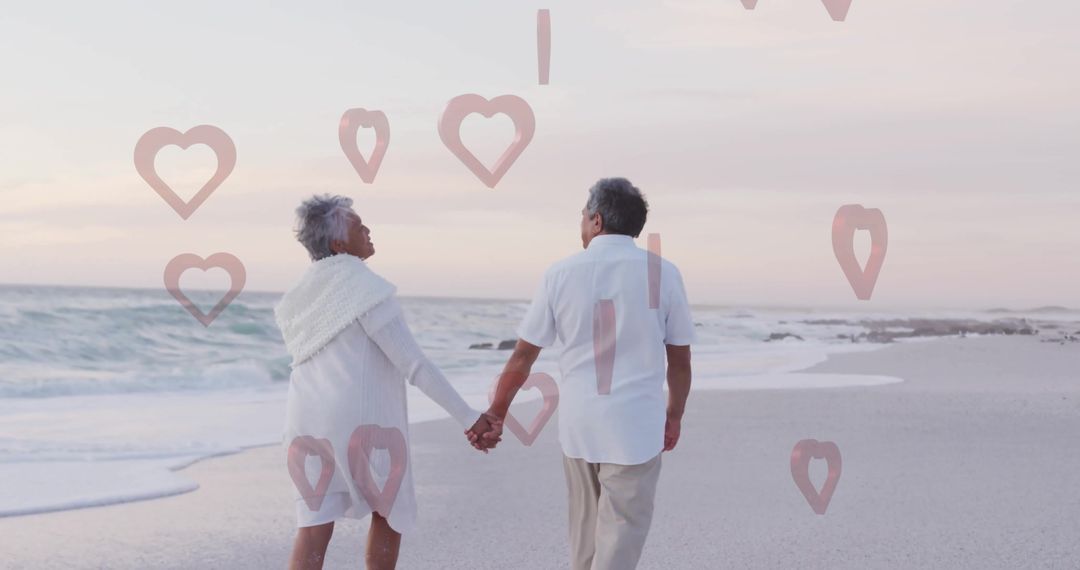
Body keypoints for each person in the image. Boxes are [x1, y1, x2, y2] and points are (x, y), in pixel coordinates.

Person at [470, 178, 695, 570]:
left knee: (586, 537)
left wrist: (497, 412)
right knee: (620, 538)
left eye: (582, 216)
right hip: (636, 425)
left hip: (580, 424)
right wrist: (674, 415)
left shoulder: (560, 273)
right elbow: (679, 360)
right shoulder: (663, 273)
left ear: (597, 220)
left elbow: (523, 356)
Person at [274, 193, 502, 570]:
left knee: (313, 527)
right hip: (363, 426)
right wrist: (470, 418)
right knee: (389, 510)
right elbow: (414, 364)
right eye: (357, 226)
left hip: (303, 425)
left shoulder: (298, 297)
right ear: (338, 244)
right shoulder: (365, 289)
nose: (367, 229)